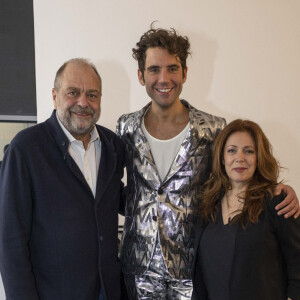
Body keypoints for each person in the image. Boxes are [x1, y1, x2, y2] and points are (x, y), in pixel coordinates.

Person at [116, 26, 300, 299]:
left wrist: (278, 189)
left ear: (185, 73)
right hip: (138, 268)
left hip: (193, 268)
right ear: (141, 76)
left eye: (172, 68)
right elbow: (114, 188)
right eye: (154, 69)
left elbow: (234, 176)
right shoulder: (125, 127)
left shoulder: (213, 128)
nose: (163, 78)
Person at [0, 58, 125, 299]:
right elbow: (11, 243)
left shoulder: (113, 146)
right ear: (55, 96)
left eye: (92, 94)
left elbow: (116, 200)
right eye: (73, 92)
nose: (83, 102)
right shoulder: (25, 149)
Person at [192, 119, 300, 300]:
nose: (239, 158)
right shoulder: (207, 204)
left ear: (259, 157)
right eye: (232, 150)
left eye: (249, 151)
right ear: (222, 157)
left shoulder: (277, 201)